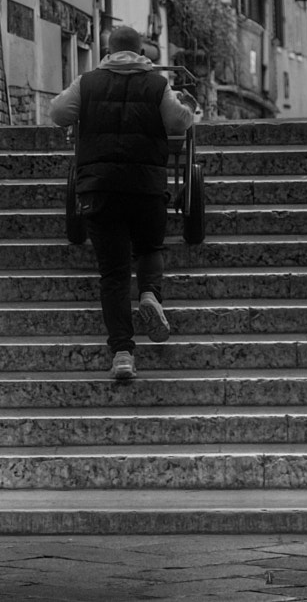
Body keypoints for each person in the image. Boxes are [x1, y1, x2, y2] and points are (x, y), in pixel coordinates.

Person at [48, 24, 200, 381]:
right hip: (145, 186)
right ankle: (149, 293)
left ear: (107, 50)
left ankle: (122, 353)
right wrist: (185, 108)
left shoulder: (87, 82)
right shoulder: (157, 84)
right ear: (143, 52)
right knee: (148, 247)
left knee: (113, 273)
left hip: (99, 188)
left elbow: (57, 114)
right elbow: (180, 122)